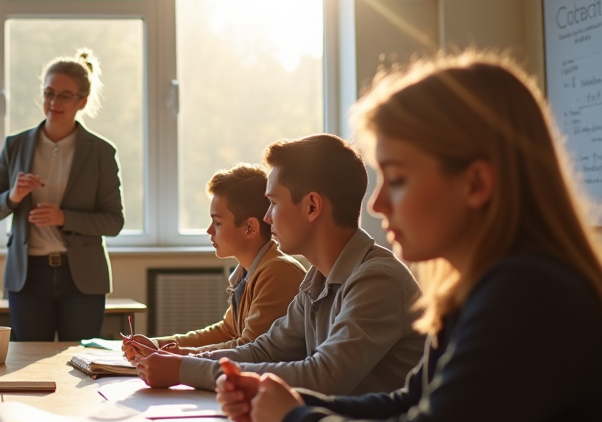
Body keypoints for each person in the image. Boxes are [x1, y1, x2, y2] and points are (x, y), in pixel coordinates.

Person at [217, 54, 602, 422]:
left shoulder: (529, 294)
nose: (376, 204)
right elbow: (410, 403)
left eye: (396, 178)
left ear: (475, 183)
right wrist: (294, 403)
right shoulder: (483, 289)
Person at [135, 134, 424, 395]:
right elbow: (266, 350)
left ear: (312, 206)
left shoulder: (377, 280)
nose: (267, 217)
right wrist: (182, 361)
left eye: (273, 202)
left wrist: (184, 370)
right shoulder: (317, 279)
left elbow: (323, 376)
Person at [0, 49, 124, 341]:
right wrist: (13, 196)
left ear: (82, 101)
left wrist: (63, 217)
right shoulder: (15, 146)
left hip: (81, 279)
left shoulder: (101, 152)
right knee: (28, 362)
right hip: (28, 277)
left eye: (65, 95)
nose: (54, 102)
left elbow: (113, 222)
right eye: (49, 93)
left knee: (79, 365)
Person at [121, 165, 304, 358]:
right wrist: (158, 344)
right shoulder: (249, 270)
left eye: (217, 222)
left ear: (250, 227)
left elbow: (249, 348)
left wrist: (178, 356)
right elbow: (227, 331)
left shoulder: (277, 271)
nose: (209, 231)